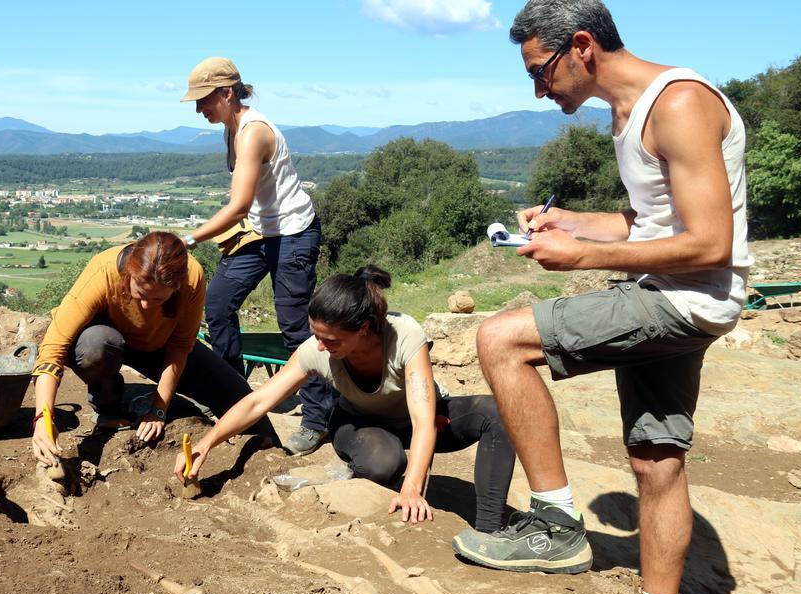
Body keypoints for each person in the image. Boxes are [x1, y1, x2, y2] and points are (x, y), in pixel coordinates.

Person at [453, 0, 752, 594]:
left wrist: (581, 258)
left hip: (685, 298)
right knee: (655, 460)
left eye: (541, 71)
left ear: (582, 46)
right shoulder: (631, 112)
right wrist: (573, 223)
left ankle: (557, 528)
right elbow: (652, 223)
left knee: (500, 340)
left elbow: (712, 243)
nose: (538, 91)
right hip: (677, 294)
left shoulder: (678, 104)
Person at [176, 266, 517, 533]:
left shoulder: (405, 335)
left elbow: (424, 420)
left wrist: (412, 489)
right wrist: (208, 443)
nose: (321, 346)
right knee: (384, 463)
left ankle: (489, 528)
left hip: (420, 418)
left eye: (331, 339)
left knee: (496, 412)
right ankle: (360, 467)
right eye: (316, 335)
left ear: (365, 328)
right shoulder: (317, 350)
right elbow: (258, 401)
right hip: (360, 423)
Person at [178, 56, 333, 457]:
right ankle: (230, 394)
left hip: (295, 233)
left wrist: (189, 240)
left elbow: (239, 205)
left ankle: (318, 419)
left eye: (205, 100)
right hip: (262, 233)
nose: (199, 109)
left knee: (296, 327)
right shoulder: (230, 129)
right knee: (217, 302)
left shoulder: (252, 133)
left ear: (228, 93)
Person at [29, 232, 278, 465]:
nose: (147, 306)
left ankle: (274, 456)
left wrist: (158, 409)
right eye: (140, 294)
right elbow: (53, 348)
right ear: (129, 274)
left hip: (158, 344)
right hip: (105, 341)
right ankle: (108, 405)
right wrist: (43, 418)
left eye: (158, 299)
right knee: (98, 344)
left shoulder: (191, 277)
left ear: (176, 286)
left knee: (237, 393)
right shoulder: (104, 270)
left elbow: (180, 348)